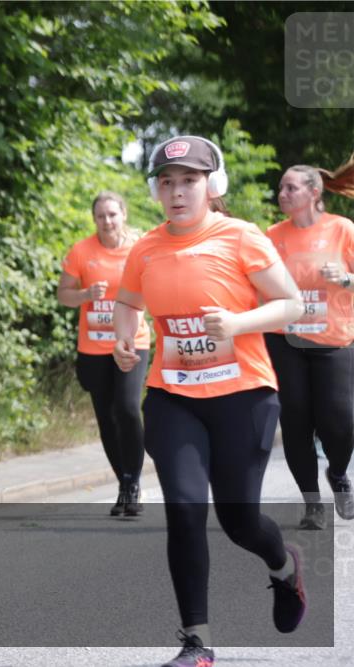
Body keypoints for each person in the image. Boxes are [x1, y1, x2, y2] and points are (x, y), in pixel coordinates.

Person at [112, 136, 306, 667]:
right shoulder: (146, 247)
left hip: (243, 395)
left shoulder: (241, 237)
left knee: (240, 518)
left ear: (211, 186)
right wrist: (123, 338)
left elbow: (290, 303)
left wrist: (240, 322)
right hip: (173, 396)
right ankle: (197, 643)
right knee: (184, 509)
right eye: (168, 183)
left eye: (190, 182)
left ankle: (284, 567)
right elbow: (127, 303)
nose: (177, 193)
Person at [265, 157, 354, 529]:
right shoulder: (272, 235)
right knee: (296, 420)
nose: (282, 193)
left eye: (290, 188)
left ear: (313, 192)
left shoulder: (343, 229)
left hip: (334, 340)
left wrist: (347, 278)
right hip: (286, 341)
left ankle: (337, 473)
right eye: (281, 188)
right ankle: (312, 502)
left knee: (340, 421)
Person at [58, 192, 150, 516]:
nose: (107, 221)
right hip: (94, 348)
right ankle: (124, 483)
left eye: (112, 214)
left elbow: (153, 288)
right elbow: (64, 295)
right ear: (94, 219)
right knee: (107, 419)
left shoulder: (138, 248)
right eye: (101, 216)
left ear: (123, 214)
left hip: (131, 342)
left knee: (126, 408)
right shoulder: (82, 251)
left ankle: (135, 481)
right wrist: (85, 293)